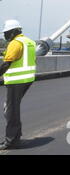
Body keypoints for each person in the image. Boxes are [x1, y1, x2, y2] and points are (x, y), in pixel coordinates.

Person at [0, 20, 36, 150]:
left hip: (16, 81)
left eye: (7, 33)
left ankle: (11, 141)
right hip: (27, 79)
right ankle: (15, 137)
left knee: (11, 111)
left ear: (14, 31)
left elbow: (6, 63)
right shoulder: (29, 42)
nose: (5, 36)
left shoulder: (15, 43)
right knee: (12, 109)